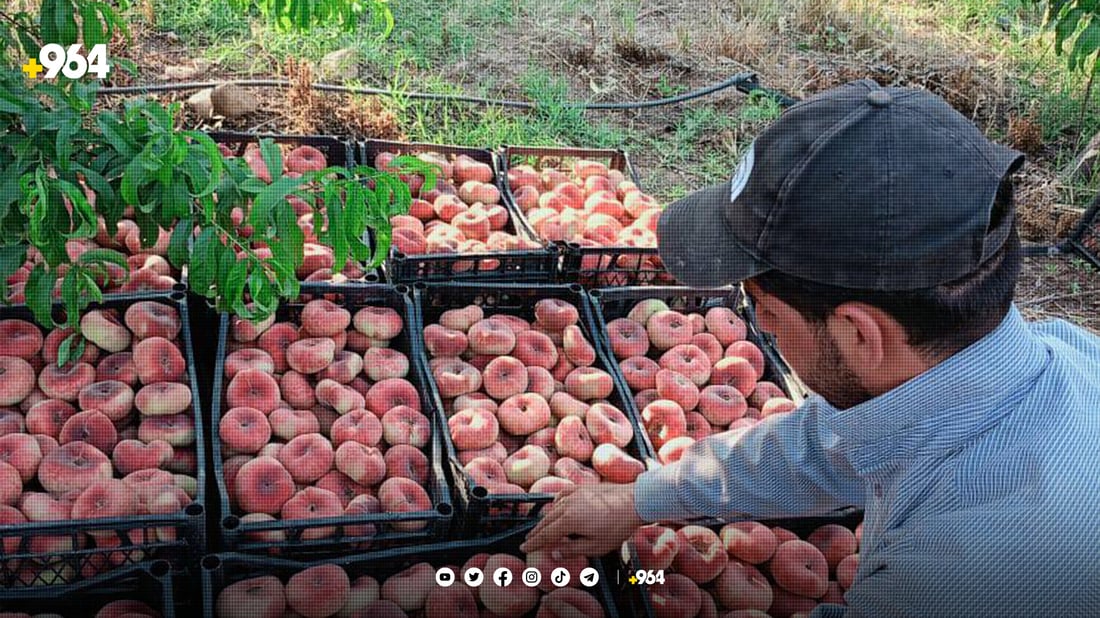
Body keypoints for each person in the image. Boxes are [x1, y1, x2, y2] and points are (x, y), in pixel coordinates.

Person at [521, 79, 1100, 617]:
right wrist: (642, 500)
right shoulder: (1041, 358)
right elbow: (826, 446)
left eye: (764, 312)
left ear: (858, 335)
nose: (760, 330)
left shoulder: (963, 578)